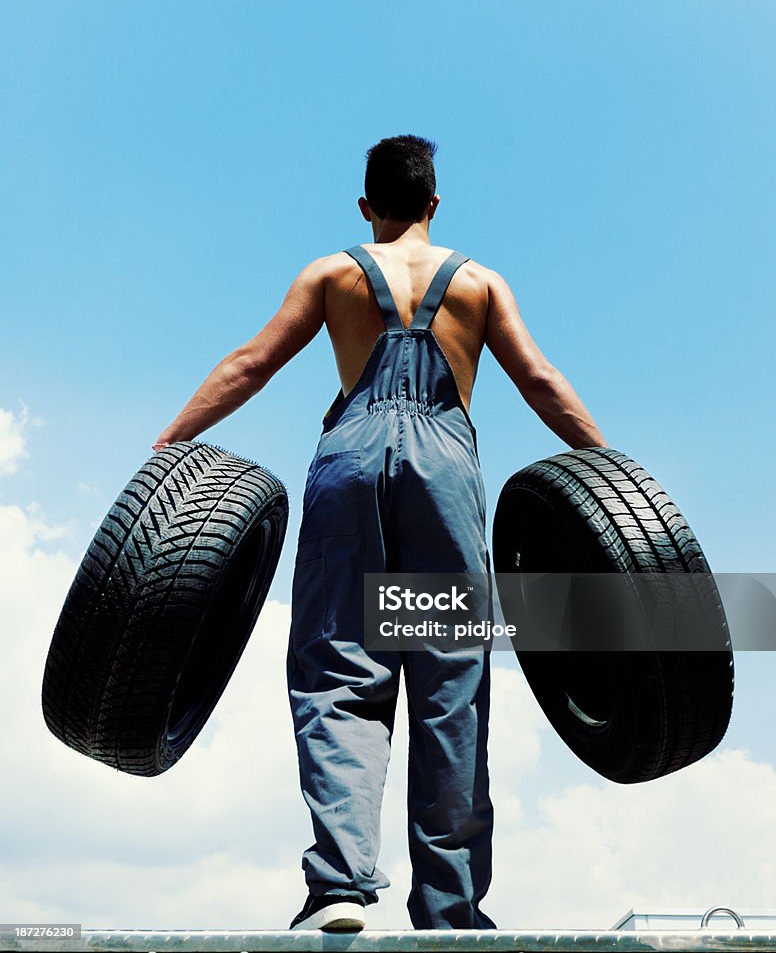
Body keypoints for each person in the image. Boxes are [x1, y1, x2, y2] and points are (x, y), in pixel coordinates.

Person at [153, 134, 607, 932]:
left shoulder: (331, 274)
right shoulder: (479, 282)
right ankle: (451, 908)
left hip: (349, 463)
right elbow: (538, 379)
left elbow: (251, 363)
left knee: (339, 671)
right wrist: (615, 478)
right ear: (434, 203)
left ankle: (337, 888)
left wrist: (170, 442)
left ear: (366, 206)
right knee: (448, 686)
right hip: (445, 471)